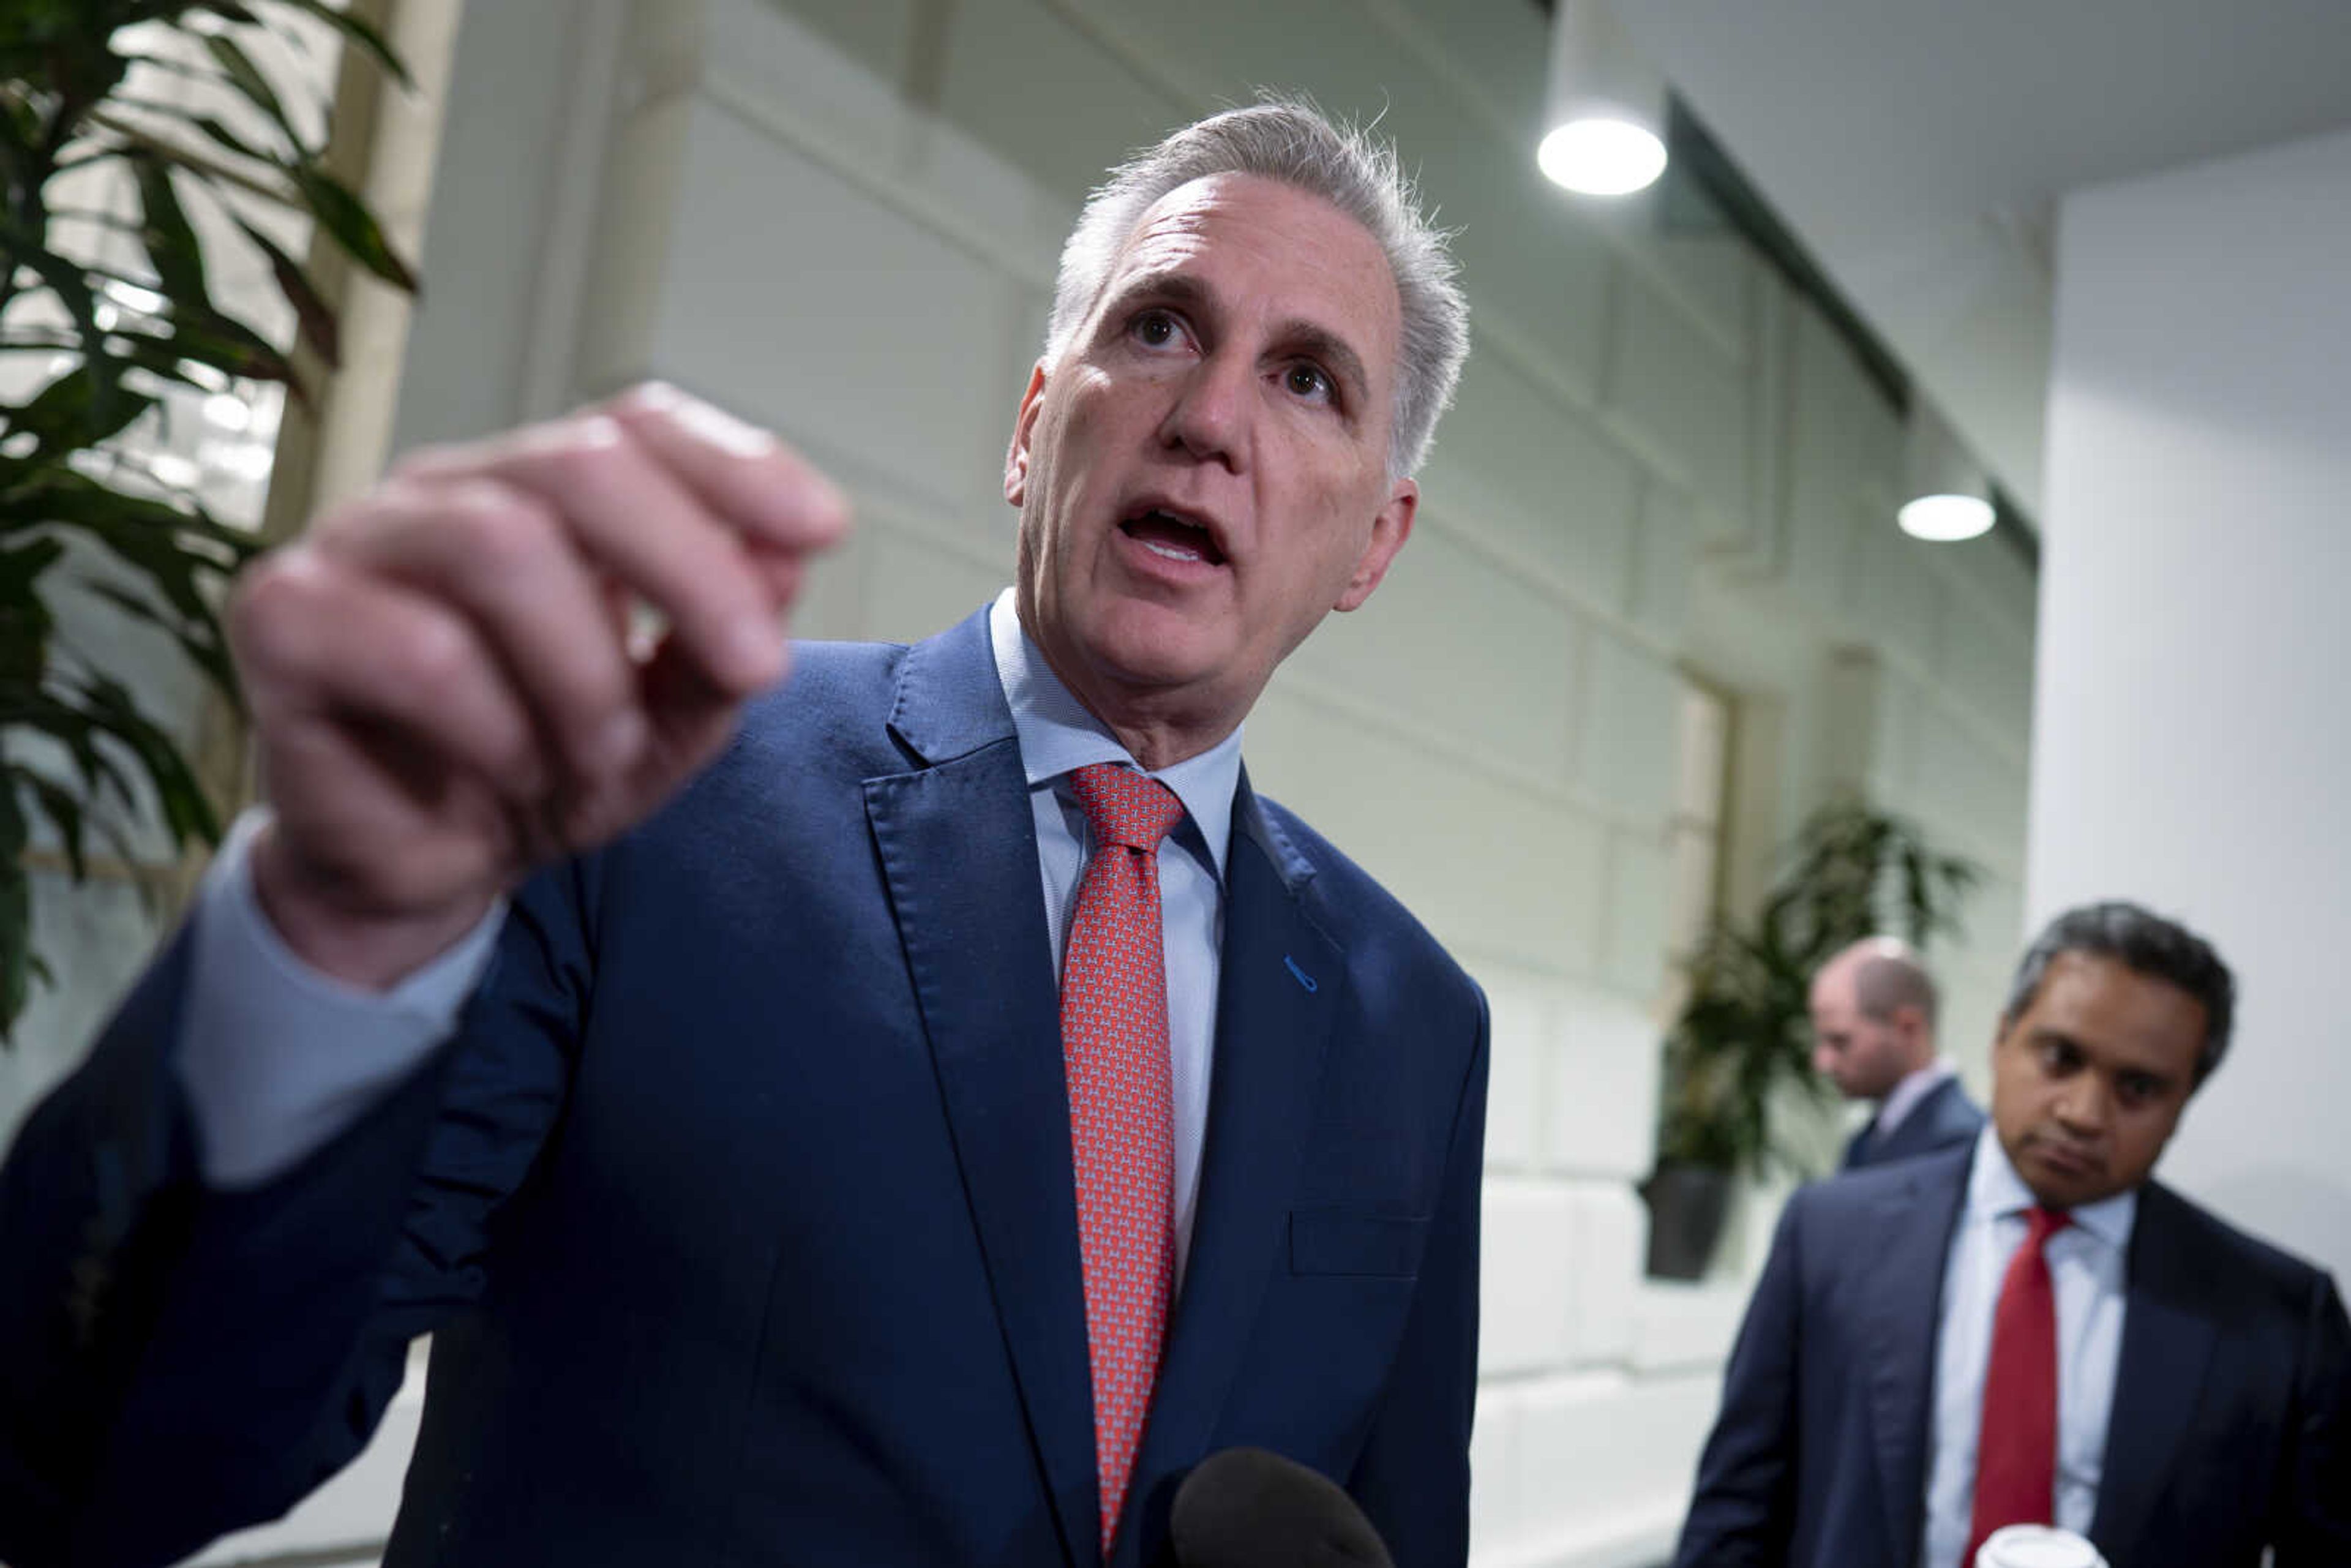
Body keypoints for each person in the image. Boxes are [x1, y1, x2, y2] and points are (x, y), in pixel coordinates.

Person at [0, 101, 1489, 1568]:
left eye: (1306, 380)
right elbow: (116, 1440)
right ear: (1037, 428)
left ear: (1372, 541)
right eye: (1160, 325)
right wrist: (324, 940)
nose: (1209, 416)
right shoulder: (644, 781)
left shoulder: (1412, 1019)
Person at [1673, 901, 2351, 1568]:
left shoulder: (2279, 1317)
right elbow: (1736, 1509)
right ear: (2002, 1038)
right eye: (2060, 1057)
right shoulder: (1828, 1235)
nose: (2084, 1112)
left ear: (2184, 1101)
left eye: (2138, 1087)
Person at [1809, 936, 1984, 1169]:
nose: (1823, 1062)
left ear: (1908, 1027)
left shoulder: (1960, 1144)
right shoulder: (1868, 1139)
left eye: (1841, 1042)